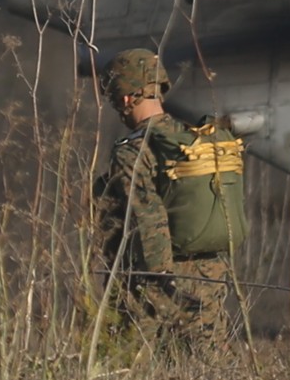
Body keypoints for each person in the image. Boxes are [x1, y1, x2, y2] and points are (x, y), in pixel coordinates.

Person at [93, 48, 246, 345]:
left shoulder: (132, 151)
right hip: (211, 271)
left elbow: (147, 217)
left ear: (125, 98)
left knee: (133, 366)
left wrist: (160, 279)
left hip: (158, 280)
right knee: (209, 363)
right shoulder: (192, 138)